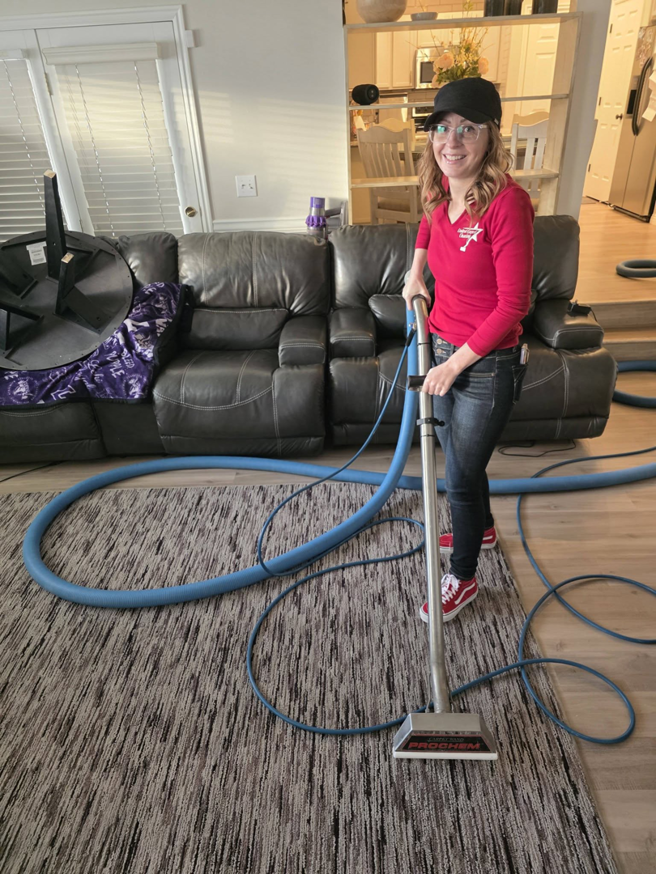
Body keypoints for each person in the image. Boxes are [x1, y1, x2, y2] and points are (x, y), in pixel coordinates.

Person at [402, 77, 534, 624]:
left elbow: (514, 305)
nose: (451, 141)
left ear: (490, 136)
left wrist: (454, 365)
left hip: (487, 363)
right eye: (442, 128)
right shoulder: (441, 187)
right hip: (442, 345)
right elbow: (427, 223)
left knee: (458, 473)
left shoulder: (507, 204)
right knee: (463, 456)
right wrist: (415, 272)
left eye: (467, 129)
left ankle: (463, 577)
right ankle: (482, 529)